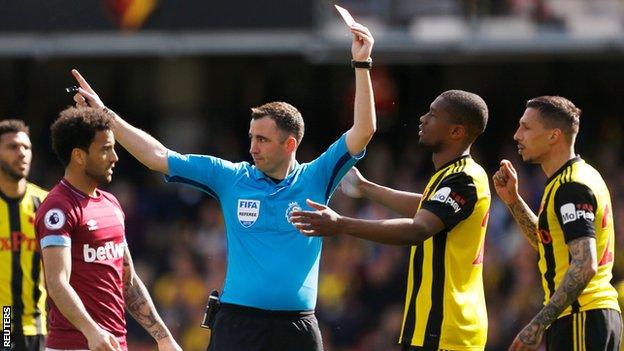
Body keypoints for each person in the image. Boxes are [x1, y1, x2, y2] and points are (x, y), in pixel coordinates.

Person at [69, 21, 376, 351]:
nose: (253, 147)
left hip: (297, 326)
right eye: (251, 138)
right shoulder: (231, 177)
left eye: (262, 139)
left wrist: (362, 64)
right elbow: (158, 156)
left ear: (289, 145)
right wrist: (106, 116)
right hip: (238, 324)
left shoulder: (316, 177)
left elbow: (364, 130)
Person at [290, 90, 490, 351]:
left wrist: (340, 224)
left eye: (433, 114)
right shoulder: (453, 175)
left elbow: (418, 229)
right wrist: (366, 188)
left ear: (456, 132)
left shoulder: (463, 178)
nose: (422, 119)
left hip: (447, 328)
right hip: (435, 327)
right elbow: (425, 206)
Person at [34, 107, 181, 351]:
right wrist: (92, 331)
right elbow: (57, 282)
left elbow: (128, 280)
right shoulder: (58, 208)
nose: (115, 157)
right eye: (105, 149)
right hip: (74, 345)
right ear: (79, 156)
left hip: (115, 344)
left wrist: (162, 337)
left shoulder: (111, 203)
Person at [492, 96, 621, 350]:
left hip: (581, 317)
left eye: (526, 127)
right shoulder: (579, 176)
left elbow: (585, 264)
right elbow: (548, 244)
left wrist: (538, 324)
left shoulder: (571, 186)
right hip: (589, 317)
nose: (517, 135)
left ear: (554, 136)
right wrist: (514, 201)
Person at [0, 120, 48, 351]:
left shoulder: (47, 205)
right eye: (12, 147)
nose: (22, 154)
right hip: (5, 322)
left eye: (26, 148)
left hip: (41, 324)